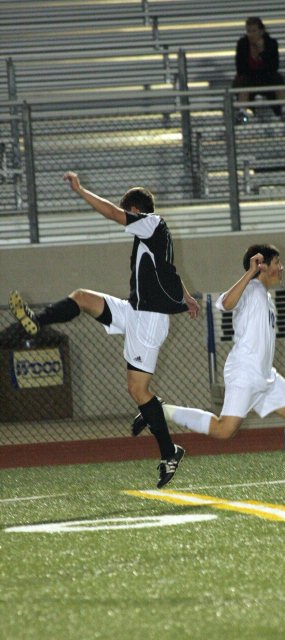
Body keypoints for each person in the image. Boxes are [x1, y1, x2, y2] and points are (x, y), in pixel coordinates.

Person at [8, 171, 200, 488]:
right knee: (82, 297)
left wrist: (81, 190)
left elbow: (112, 213)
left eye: (129, 213)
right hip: (135, 310)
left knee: (138, 390)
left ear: (136, 211)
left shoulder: (151, 223)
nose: (127, 219)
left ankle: (169, 450)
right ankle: (37, 321)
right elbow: (171, 273)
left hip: (149, 320)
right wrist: (188, 298)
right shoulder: (152, 236)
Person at [134, 244, 285, 499]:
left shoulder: (265, 294)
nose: (281, 268)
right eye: (277, 263)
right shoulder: (251, 288)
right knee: (224, 430)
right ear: (262, 265)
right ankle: (158, 410)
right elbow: (224, 303)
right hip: (245, 372)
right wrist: (250, 273)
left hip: (265, 375)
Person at [233, 17, 285, 124]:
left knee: (277, 78)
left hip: (267, 77)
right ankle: (242, 112)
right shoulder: (242, 44)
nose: (251, 34)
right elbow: (240, 67)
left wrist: (262, 52)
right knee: (243, 80)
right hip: (250, 77)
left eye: (254, 31)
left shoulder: (271, 43)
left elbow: (273, 66)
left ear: (261, 31)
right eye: (248, 31)